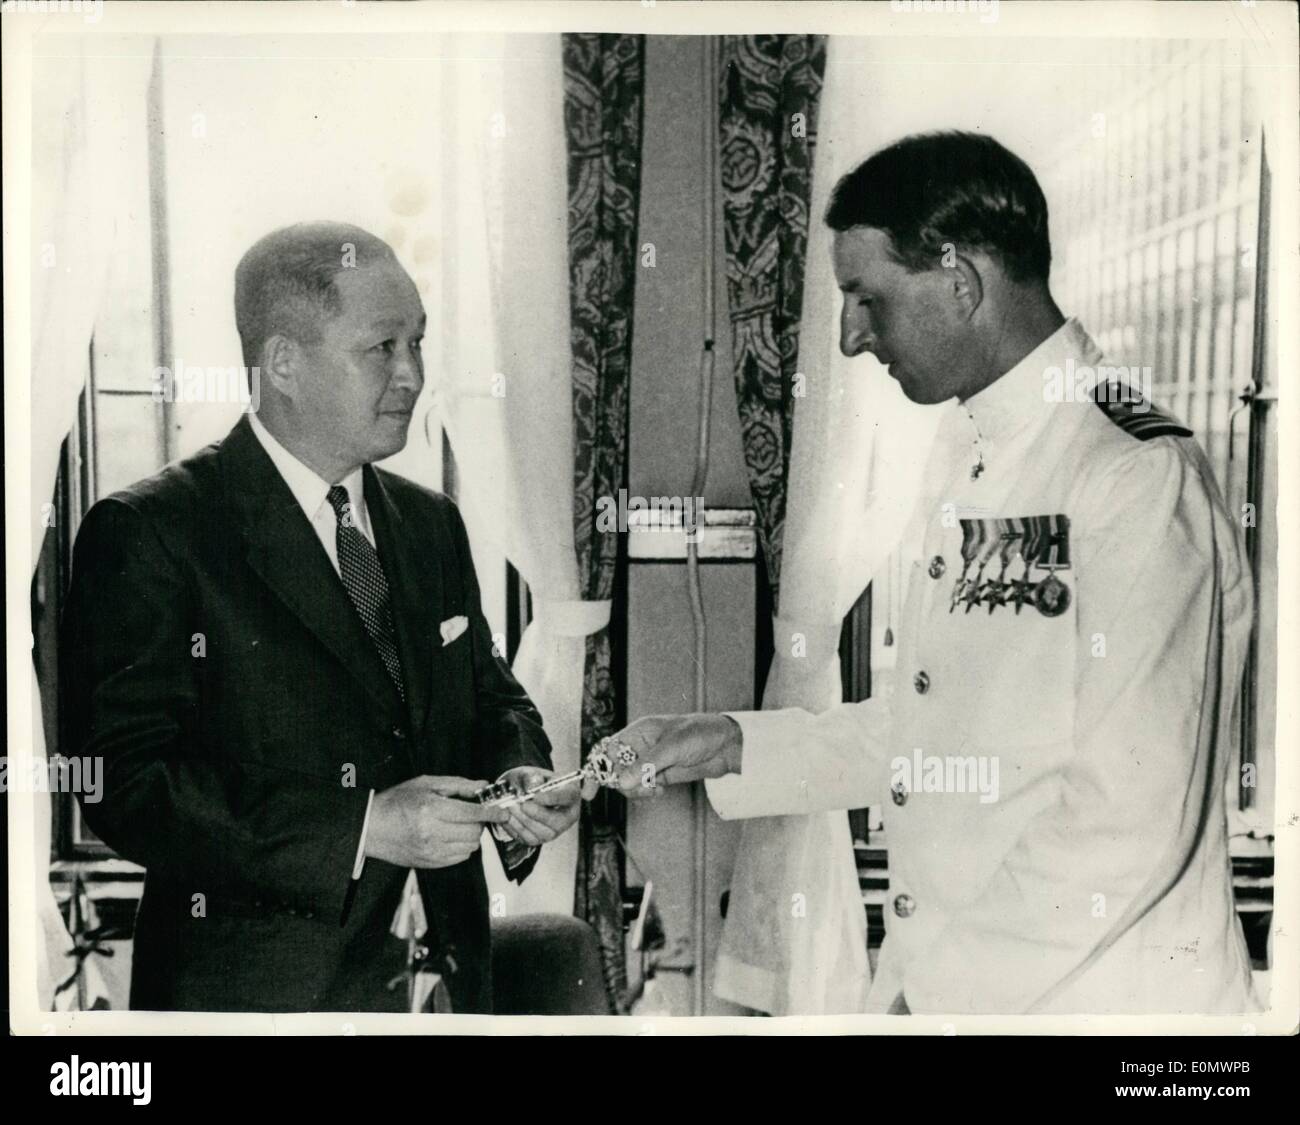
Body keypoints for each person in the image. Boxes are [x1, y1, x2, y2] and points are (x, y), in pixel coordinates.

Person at [604, 132, 1258, 1015]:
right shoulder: (968, 445)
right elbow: (941, 730)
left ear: (961, 281)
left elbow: (1126, 818)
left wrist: (935, 1001)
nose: (848, 336)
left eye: (867, 298)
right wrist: (729, 738)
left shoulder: (1132, 473)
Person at [61, 222, 579, 1013]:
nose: (412, 374)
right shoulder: (152, 532)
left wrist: (518, 772)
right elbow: (126, 782)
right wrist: (362, 827)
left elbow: (489, 696)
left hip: (450, 993)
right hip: (257, 1008)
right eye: (382, 348)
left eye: (418, 343)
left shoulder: (431, 523)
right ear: (283, 363)